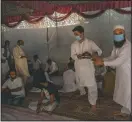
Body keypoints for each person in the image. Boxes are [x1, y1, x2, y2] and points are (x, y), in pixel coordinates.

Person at [94, 25, 131, 117]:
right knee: (123, 91)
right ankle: (125, 111)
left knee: (128, 92)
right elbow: (112, 57)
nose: (118, 35)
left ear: (124, 34)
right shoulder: (117, 44)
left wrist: (102, 63)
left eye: (120, 33)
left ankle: (127, 112)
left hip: (128, 73)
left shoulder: (127, 46)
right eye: (115, 33)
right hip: (121, 72)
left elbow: (119, 61)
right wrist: (101, 59)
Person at [71, 25, 102, 113]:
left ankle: (93, 104)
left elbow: (99, 51)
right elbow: (72, 56)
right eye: (74, 34)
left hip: (88, 68)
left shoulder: (90, 42)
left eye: (77, 34)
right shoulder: (74, 44)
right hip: (79, 68)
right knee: (80, 83)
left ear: (82, 33)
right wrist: (78, 56)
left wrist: (92, 54)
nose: (76, 36)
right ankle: (83, 93)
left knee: (91, 86)